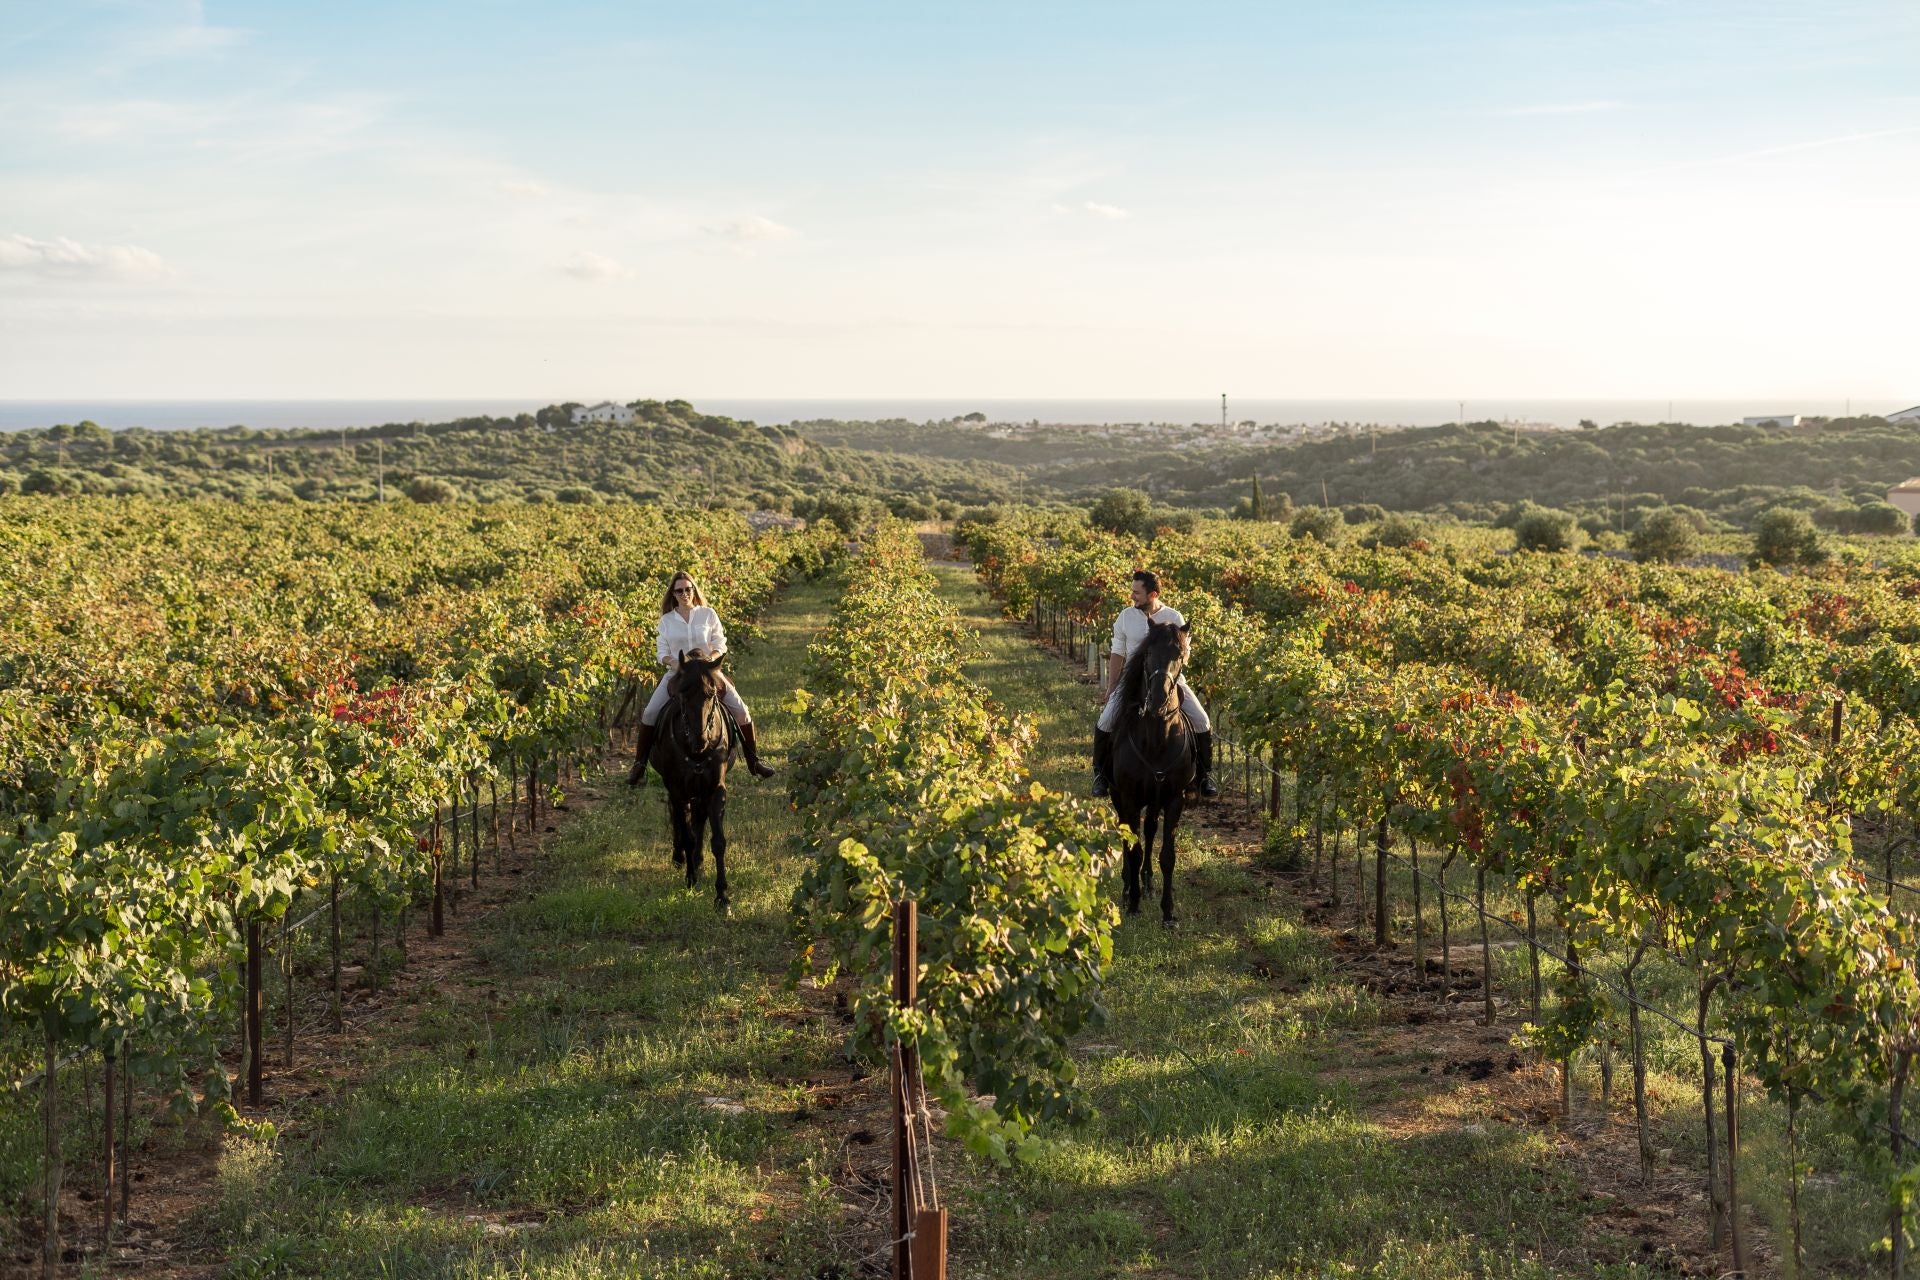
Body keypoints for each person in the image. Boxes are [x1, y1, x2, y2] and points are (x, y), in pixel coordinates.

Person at [630, 571, 776, 780]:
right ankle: (639, 765)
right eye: (679, 590)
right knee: (650, 713)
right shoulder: (666, 621)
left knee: (742, 712)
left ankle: (754, 761)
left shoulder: (708, 614)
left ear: (694, 590)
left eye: (688, 589)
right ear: (673, 593)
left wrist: (710, 659)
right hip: (677, 674)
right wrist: (675, 663)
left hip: (708, 673)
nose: (684, 593)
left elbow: (720, 644)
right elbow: (662, 652)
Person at [1091, 570, 1217, 798]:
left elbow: (1184, 654)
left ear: (1153, 594)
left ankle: (1204, 776)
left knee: (1202, 720)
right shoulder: (1125, 617)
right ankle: (1100, 775)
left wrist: (1170, 667)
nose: (1132, 596)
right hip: (1132, 682)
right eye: (1132, 591)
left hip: (1170, 681)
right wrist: (1112, 687)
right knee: (1105, 720)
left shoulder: (1175, 617)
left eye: (1136, 592)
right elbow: (1118, 653)